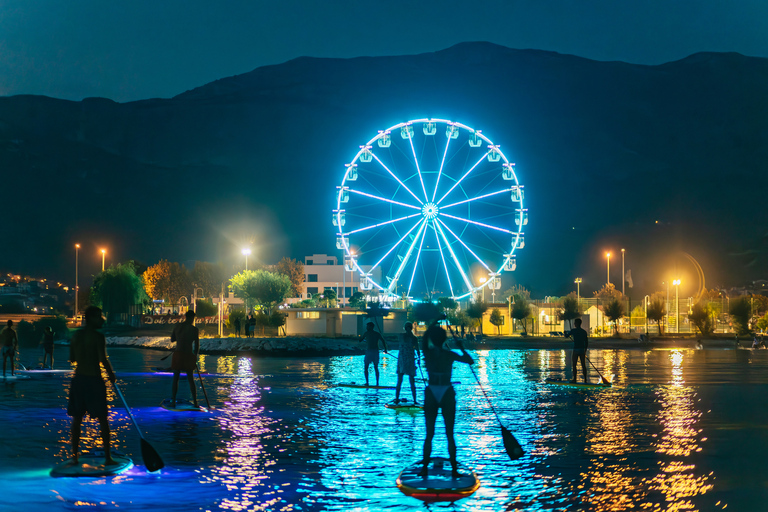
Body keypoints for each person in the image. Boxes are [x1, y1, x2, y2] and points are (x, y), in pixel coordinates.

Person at [419, 323, 474, 478]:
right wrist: (461, 346)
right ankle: (455, 471)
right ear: (444, 340)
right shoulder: (449, 354)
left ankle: (424, 469)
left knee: (429, 434)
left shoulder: (427, 353)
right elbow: (470, 361)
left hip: (432, 391)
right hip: (446, 391)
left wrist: (435, 320)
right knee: (450, 434)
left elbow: (424, 338)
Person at [67, 306, 117, 466]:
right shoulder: (98, 337)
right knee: (103, 419)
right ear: (92, 318)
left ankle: (74, 457)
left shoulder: (76, 336)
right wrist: (111, 374)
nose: (102, 319)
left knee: (77, 419)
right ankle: (108, 458)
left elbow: (72, 358)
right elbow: (103, 358)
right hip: (94, 380)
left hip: (78, 379)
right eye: (99, 316)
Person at [170, 310, 200, 408]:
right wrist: (195, 357)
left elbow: (172, 339)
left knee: (176, 378)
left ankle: (173, 401)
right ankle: (195, 402)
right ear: (192, 318)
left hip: (178, 354)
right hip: (188, 354)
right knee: (191, 379)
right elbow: (197, 345)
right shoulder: (194, 329)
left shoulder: (178, 327)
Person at [395, 322, 419, 404]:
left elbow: (418, 351)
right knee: (411, 381)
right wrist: (418, 360)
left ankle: (397, 398)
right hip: (409, 360)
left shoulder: (402, 336)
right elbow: (418, 351)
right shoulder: (414, 338)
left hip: (403, 360)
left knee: (400, 380)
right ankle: (415, 400)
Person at [358, 321, 388, 386]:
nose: (366, 327)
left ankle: (376, 383)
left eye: (367, 326)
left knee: (374, 367)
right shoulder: (369, 333)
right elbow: (361, 340)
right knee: (368, 367)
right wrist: (385, 349)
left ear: (371, 327)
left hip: (373, 352)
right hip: (371, 352)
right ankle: (369, 382)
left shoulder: (374, 334)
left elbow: (383, 340)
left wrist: (385, 349)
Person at [570, 317, 588, 383]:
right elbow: (586, 342)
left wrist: (565, 333)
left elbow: (567, 335)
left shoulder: (573, 331)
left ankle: (574, 379)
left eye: (575, 323)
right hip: (582, 350)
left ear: (577, 323)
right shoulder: (584, 332)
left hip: (576, 350)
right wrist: (585, 351)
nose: (574, 324)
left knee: (574, 365)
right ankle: (585, 380)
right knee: (583, 365)